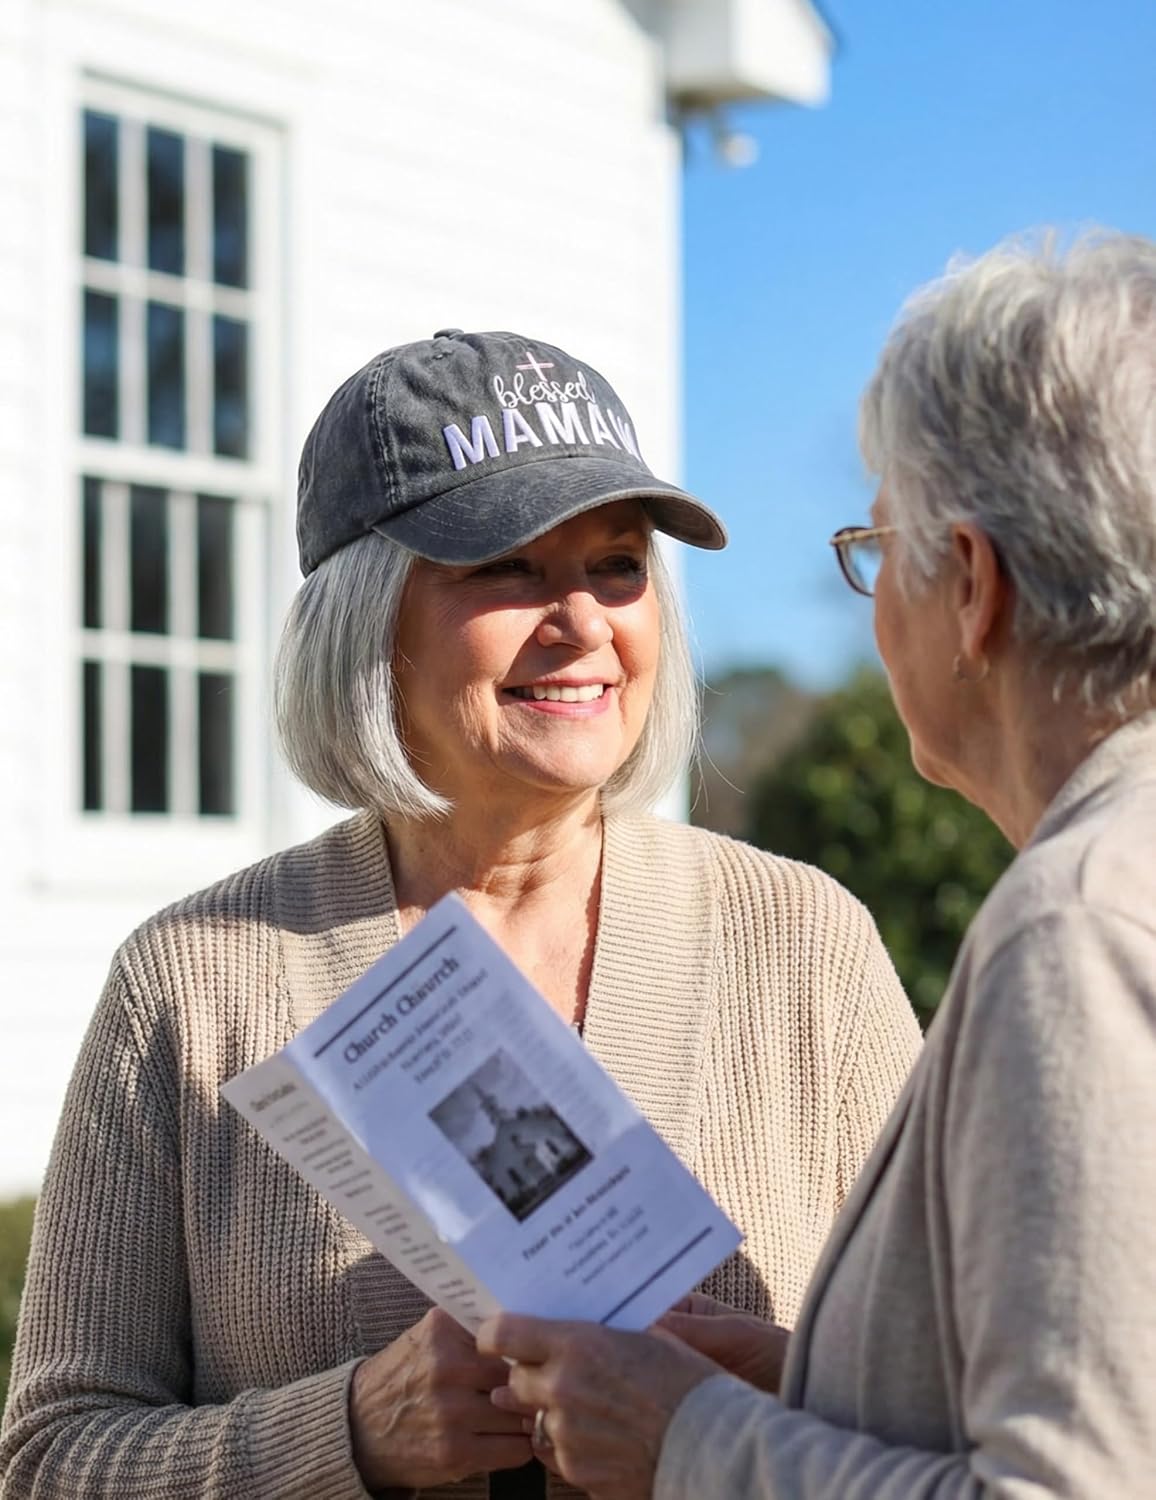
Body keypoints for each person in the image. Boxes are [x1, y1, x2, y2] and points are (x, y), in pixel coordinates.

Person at [0, 329, 920, 1500]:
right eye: (506, 568)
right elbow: (50, 1460)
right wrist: (346, 1433)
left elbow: (956, 1405)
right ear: (365, 621)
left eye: (617, 564)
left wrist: (754, 1406)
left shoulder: (804, 946)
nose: (582, 620)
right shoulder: (193, 982)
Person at [478, 230, 1156, 1498]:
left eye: (873, 549)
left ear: (971, 588)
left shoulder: (1077, 925)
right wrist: (814, 1387)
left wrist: (688, 1440)